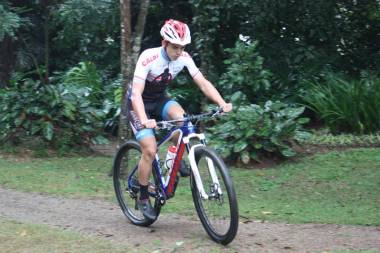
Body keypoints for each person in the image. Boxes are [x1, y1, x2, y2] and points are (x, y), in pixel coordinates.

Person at [127, 19, 232, 220]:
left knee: (185, 122)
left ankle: (171, 159)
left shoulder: (184, 58)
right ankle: (142, 197)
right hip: (138, 103)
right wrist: (144, 120)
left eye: (182, 47)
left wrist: (221, 103)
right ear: (164, 42)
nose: (178, 51)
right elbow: (136, 94)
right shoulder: (148, 58)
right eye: (175, 47)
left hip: (158, 100)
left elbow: (202, 83)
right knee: (149, 148)